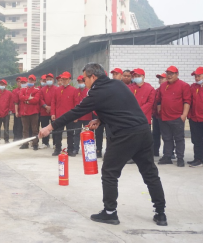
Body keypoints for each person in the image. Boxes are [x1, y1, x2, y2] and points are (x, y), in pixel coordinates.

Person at [39, 63, 167, 226]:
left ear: (93, 77)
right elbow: (121, 108)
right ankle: (161, 213)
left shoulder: (97, 92)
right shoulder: (118, 84)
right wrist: (101, 119)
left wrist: (50, 127)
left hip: (124, 135)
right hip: (143, 132)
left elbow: (75, 112)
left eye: (85, 78)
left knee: (109, 172)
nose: (84, 82)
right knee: (150, 173)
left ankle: (110, 212)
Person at [156, 66, 191, 167]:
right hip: (164, 117)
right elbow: (159, 99)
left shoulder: (183, 85)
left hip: (177, 117)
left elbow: (187, 101)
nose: (169, 75)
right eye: (168, 73)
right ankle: (167, 156)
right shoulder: (163, 86)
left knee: (179, 138)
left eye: (172, 73)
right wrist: (159, 110)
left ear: (177, 74)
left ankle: (180, 158)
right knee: (166, 138)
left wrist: (184, 115)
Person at [127, 68, 156, 164]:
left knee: (145, 140)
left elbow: (150, 103)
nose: (136, 78)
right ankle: (133, 157)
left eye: (138, 76)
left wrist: (138, 112)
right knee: (132, 139)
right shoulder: (129, 88)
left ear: (143, 77)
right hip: (131, 119)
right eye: (135, 76)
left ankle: (147, 157)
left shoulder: (150, 89)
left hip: (144, 119)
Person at [51, 71, 78, 156]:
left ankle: (70, 150)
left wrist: (76, 116)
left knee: (70, 134)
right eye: (63, 79)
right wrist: (53, 113)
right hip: (59, 116)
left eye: (66, 79)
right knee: (58, 133)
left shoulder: (74, 90)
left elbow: (76, 104)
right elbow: (53, 102)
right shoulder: (57, 90)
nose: (64, 81)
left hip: (70, 116)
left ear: (70, 80)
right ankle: (58, 149)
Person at [18, 75, 40, 150]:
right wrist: (29, 98)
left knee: (35, 129)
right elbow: (21, 97)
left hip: (33, 113)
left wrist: (26, 101)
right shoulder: (23, 89)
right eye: (29, 80)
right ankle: (25, 143)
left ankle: (35, 144)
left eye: (32, 80)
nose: (30, 81)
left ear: (34, 81)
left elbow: (36, 100)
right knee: (25, 129)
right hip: (24, 113)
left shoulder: (37, 90)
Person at [73, 75, 92, 155]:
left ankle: (88, 149)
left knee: (87, 134)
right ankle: (76, 149)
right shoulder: (75, 91)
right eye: (79, 82)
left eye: (81, 82)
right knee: (76, 133)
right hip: (78, 116)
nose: (80, 83)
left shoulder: (89, 91)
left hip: (87, 116)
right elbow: (73, 103)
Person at [188, 67, 203, 167]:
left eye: (199, 76)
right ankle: (198, 158)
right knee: (196, 140)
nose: (197, 78)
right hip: (194, 118)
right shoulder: (193, 87)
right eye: (195, 76)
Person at [0, 79, 12, 144]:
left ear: (6, 85)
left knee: (6, 128)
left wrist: (9, 111)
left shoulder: (9, 93)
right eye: (1, 84)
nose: (2, 85)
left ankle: (6, 140)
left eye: (3, 84)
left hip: (6, 113)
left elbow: (11, 103)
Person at [152, 73, 167, 157]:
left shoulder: (167, 90)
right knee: (155, 134)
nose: (160, 80)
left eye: (162, 78)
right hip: (156, 116)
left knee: (167, 135)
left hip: (165, 116)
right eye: (160, 78)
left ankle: (169, 153)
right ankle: (155, 151)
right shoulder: (157, 90)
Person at [39, 73, 56, 148]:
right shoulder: (42, 89)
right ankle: (45, 143)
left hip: (53, 112)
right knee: (44, 127)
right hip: (44, 111)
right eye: (47, 79)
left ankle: (55, 143)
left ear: (53, 80)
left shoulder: (56, 89)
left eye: (50, 79)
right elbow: (41, 99)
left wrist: (51, 108)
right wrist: (46, 107)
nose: (49, 80)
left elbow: (56, 100)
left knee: (55, 127)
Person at [11, 76, 24, 141]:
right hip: (17, 111)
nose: (19, 83)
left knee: (23, 125)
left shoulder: (26, 90)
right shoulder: (15, 91)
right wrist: (16, 111)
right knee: (17, 124)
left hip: (24, 111)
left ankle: (21, 137)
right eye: (18, 82)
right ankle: (16, 137)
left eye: (21, 82)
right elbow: (15, 102)